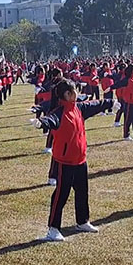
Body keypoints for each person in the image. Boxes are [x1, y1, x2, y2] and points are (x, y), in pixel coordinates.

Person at [30, 78, 115, 241]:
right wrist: (41, 123)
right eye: (74, 90)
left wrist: (110, 102)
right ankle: (53, 229)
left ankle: (82, 221)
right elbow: (51, 120)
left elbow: (95, 104)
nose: (77, 92)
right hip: (65, 161)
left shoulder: (78, 108)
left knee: (82, 191)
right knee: (61, 194)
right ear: (67, 94)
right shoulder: (59, 112)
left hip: (80, 159)